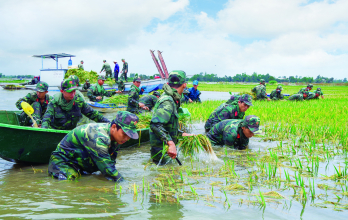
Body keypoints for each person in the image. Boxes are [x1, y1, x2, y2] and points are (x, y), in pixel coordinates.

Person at [48, 111, 139, 181]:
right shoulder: (98, 137)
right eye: (124, 134)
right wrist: (124, 183)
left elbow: (111, 163)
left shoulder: (116, 138)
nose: (127, 138)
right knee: (70, 184)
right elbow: (108, 169)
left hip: (81, 165)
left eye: (130, 135)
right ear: (114, 127)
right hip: (64, 163)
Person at [150, 70, 193, 165]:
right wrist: (170, 143)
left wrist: (182, 134)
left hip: (167, 151)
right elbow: (155, 124)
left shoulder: (172, 98)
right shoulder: (168, 101)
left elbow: (168, 126)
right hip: (162, 151)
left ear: (168, 83)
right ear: (184, 85)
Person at [41, 78, 109, 130]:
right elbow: (46, 118)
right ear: (62, 91)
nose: (73, 94)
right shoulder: (54, 102)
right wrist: (44, 130)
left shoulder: (78, 101)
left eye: (74, 91)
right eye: (70, 92)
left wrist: (109, 124)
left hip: (71, 133)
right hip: (56, 131)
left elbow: (93, 114)